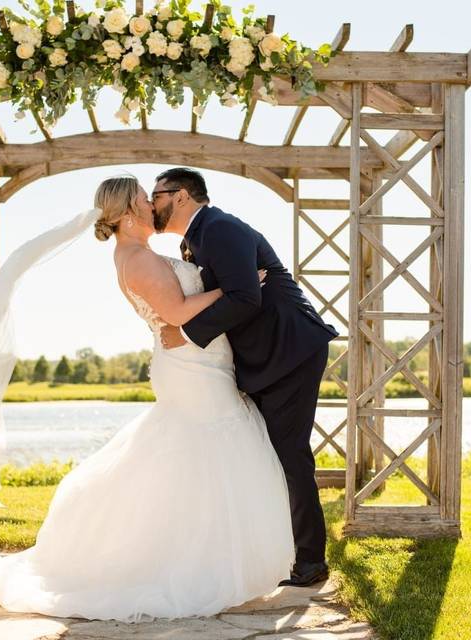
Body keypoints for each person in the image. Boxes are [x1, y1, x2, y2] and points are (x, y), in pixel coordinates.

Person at [0, 176, 296, 621]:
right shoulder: (139, 258)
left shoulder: (138, 252)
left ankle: (199, 552)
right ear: (129, 212)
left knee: (190, 460)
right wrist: (239, 288)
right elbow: (177, 312)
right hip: (192, 372)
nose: (154, 205)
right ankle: (189, 562)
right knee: (203, 452)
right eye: (146, 200)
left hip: (195, 365)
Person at [153, 167, 338, 586]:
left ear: (181, 196)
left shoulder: (219, 228)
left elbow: (246, 298)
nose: (152, 203)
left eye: (157, 194)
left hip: (289, 350)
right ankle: (279, 550)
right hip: (261, 358)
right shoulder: (194, 239)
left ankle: (311, 562)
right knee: (261, 454)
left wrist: (184, 334)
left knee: (290, 455)